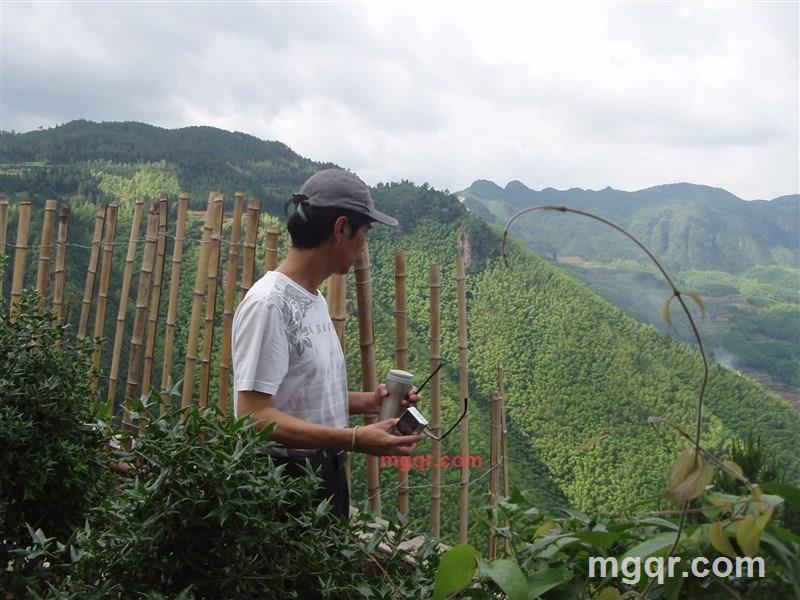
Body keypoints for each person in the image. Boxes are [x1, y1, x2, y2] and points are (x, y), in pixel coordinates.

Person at [231, 168, 422, 518]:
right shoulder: (269, 304)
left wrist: (371, 402)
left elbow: (298, 394)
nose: (363, 247)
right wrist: (355, 438)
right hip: (284, 487)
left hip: (325, 474)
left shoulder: (313, 298)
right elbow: (253, 416)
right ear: (341, 229)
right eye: (364, 234)